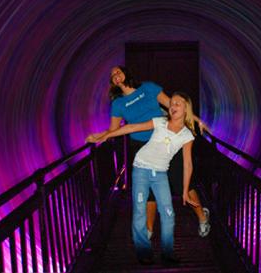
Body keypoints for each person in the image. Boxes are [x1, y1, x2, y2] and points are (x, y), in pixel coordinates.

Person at [86, 66, 211, 238]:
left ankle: (203, 217)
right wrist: (100, 136)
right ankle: (149, 229)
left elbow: (173, 105)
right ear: (112, 82)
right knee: (149, 191)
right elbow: (114, 129)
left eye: (118, 71)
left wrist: (196, 119)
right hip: (142, 147)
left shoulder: (148, 88)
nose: (115, 75)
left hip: (166, 140)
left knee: (182, 182)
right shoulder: (118, 103)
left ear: (125, 72)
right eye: (112, 75)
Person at [87, 92, 198, 264]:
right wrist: (105, 135)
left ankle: (167, 253)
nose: (173, 106)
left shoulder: (187, 135)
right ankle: (143, 252)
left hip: (160, 172)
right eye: (172, 103)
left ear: (186, 109)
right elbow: (131, 127)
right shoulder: (160, 122)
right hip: (141, 168)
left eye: (178, 103)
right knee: (139, 211)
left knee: (168, 213)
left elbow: (188, 163)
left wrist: (185, 191)